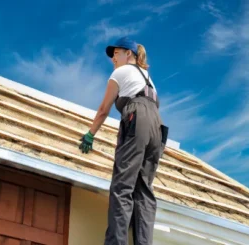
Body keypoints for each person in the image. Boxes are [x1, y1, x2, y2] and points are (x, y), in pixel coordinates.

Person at [79, 36, 168, 245]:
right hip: (157, 127)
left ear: (129, 54)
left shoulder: (120, 72)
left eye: (116, 53)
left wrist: (90, 134)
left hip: (138, 118)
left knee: (122, 187)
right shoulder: (147, 78)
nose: (113, 59)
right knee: (144, 191)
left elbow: (103, 110)